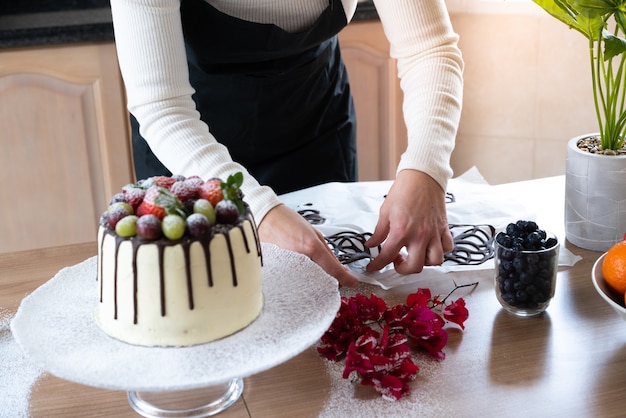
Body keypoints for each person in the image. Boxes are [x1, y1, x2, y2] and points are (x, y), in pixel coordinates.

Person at [109, 0, 463, 288]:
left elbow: (429, 49)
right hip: (187, 148)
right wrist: (260, 211)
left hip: (313, 124)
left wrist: (425, 168)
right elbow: (163, 108)